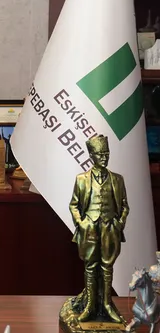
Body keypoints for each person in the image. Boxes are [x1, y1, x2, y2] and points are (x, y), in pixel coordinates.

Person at [68, 134, 128, 323]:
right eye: (100, 154)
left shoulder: (117, 179)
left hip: (110, 229)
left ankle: (107, 304)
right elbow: (74, 205)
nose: (104, 157)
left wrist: (119, 223)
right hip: (89, 230)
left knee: (107, 266)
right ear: (91, 155)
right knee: (90, 266)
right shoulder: (81, 179)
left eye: (106, 154)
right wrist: (81, 222)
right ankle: (90, 305)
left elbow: (124, 206)